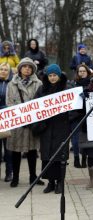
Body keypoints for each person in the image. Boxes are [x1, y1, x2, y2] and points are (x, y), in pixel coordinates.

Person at [32, 64, 70, 194]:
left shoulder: (66, 88)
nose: (52, 78)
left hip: (61, 126)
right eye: (50, 75)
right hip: (47, 127)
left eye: (55, 75)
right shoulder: (42, 89)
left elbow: (73, 105)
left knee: (60, 155)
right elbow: (35, 106)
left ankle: (60, 182)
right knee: (47, 155)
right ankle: (50, 182)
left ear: (59, 76)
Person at [6, 57, 44, 187]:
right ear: (20, 68)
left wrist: (32, 117)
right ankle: (15, 177)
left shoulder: (38, 83)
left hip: (32, 123)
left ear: (32, 69)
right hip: (17, 123)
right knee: (16, 151)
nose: (27, 69)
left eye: (29, 67)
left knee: (32, 151)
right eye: (24, 66)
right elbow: (9, 102)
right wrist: (20, 117)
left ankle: (33, 177)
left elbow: (41, 102)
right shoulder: (12, 84)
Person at [70, 64, 92, 168]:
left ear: (87, 72)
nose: (82, 73)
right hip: (76, 114)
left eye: (84, 71)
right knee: (75, 137)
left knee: (86, 137)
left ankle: (84, 158)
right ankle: (76, 158)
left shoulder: (92, 84)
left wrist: (89, 95)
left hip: (88, 113)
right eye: (80, 71)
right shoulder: (73, 84)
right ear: (77, 73)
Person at [0, 62, 13, 182]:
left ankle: (9, 172)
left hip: (6, 118)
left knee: (8, 148)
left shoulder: (11, 84)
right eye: (1, 69)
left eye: (5, 70)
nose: (3, 71)